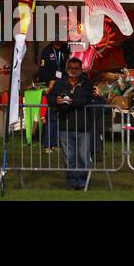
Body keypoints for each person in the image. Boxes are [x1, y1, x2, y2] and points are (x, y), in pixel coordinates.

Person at [47, 57, 94, 190]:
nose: (73, 71)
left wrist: (71, 101)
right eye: (71, 68)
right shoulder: (59, 83)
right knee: (69, 158)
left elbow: (87, 100)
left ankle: (84, 182)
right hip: (65, 126)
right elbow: (49, 98)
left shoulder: (86, 83)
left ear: (80, 69)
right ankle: (72, 183)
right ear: (67, 69)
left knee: (83, 157)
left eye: (76, 68)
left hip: (83, 126)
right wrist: (56, 100)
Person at [36, 39, 69, 150]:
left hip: (63, 84)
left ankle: (56, 143)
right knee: (51, 117)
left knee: (61, 117)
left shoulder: (66, 48)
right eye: (57, 41)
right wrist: (50, 80)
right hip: (51, 86)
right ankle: (47, 144)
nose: (60, 43)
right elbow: (42, 70)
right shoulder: (46, 51)